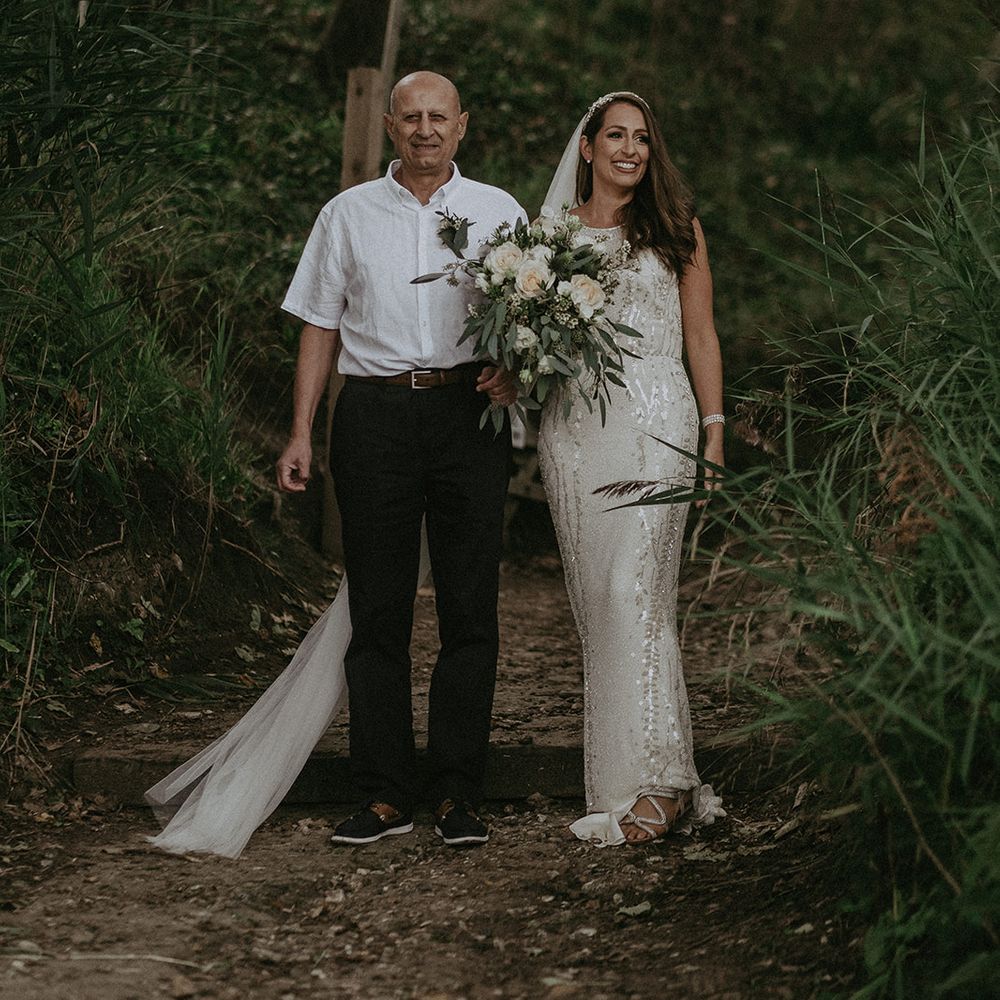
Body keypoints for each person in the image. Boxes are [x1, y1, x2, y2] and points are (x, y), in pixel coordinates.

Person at [144, 71, 524, 857]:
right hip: (374, 415)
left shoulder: (501, 212)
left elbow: (525, 318)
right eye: (411, 117)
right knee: (377, 610)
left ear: (463, 126)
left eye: (439, 117)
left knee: (469, 608)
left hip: (468, 416)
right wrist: (299, 433)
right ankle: (385, 792)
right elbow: (318, 326)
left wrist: (513, 369)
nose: (425, 129)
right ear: (390, 127)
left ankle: (457, 789)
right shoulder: (346, 214)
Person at [537, 92, 726, 846]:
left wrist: (713, 433)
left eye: (642, 138)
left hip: (656, 418)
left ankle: (666, 783)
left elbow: (703, 335)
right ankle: (624, 784)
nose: (630, 149)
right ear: (587, 148)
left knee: (636, 591)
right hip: (575, 432)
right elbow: (532, 345)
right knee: (601, 607)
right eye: (615, 135)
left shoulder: (676, 230)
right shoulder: (545, 239)